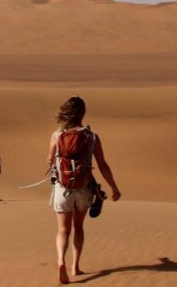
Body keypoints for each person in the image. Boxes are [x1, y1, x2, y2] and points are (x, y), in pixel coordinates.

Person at [46, 96, 121, 284]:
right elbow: (102, 164)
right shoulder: (92, 137)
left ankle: (60, 261)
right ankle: (75, 266)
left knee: (63, 229)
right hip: (84, 187)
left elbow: (48, 160)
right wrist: (113, 187)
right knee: (78, 227)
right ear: (83, 113)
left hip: (62, 188)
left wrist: (57, 164)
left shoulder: (57, 135)